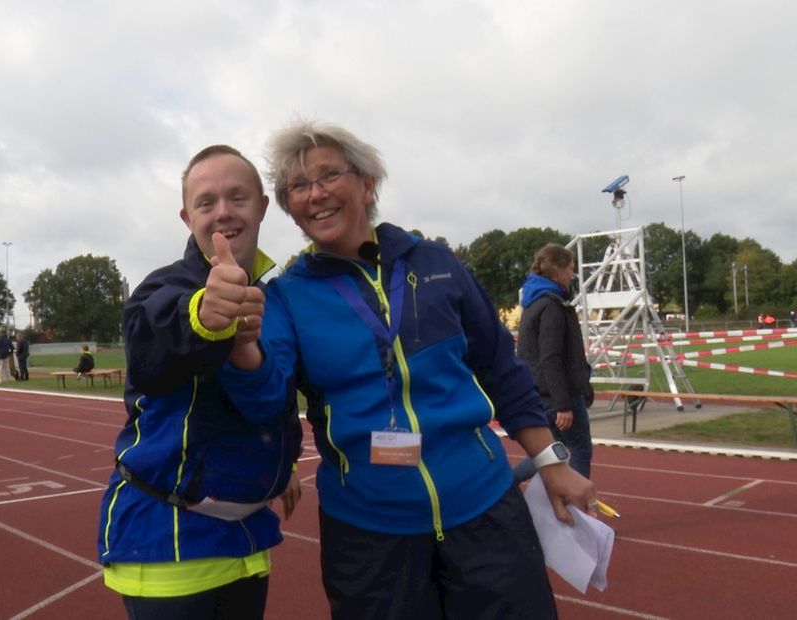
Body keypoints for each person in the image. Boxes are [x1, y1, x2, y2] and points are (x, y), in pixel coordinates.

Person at [218, 121, 596, 619]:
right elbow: (268, 395)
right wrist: (241, 345)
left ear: (367, 183)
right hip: (369, 533)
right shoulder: (287, 296)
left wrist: (551, 462)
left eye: (329, 175)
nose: (315, 194)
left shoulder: (437, 263)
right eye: (298, 187)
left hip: (484, 511)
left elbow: (501, 368)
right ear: (289, 208)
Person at [97, 145, 303, 620]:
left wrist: (286, 459)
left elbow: (278, 394)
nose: (224, 212)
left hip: (247, 542)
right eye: (207, 203)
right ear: (187, 217)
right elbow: (151, 342)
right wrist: (205, 318)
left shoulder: (276, 297)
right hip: (168, 542)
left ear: (263, 206)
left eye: (238, 197)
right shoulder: (165, 287)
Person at [516, 243, 595, 479]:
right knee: (580, 449)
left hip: (542, 393)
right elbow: (551, 358)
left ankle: (505, 489)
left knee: (546, 453)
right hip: (558, 396)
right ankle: (577, 507)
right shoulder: (551, 307)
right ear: (557, 270)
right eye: (570, 269)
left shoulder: (533, 303)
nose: (572, 275)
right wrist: (563, 404)